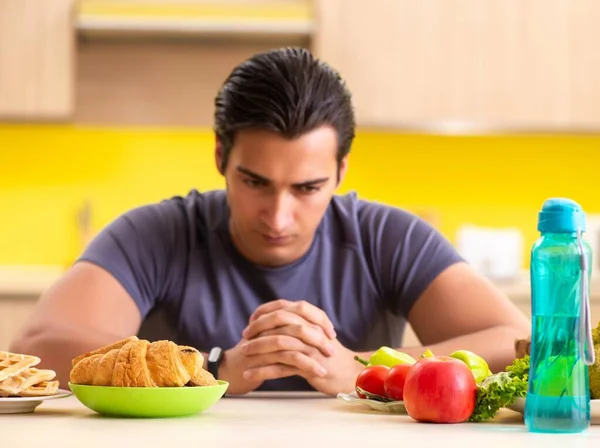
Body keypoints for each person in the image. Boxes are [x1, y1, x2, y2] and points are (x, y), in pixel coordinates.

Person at [10, 47, 530, 396]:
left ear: (340, 170)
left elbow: (514, 339)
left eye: (307, 188)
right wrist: (212, 369)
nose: (279, 217)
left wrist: (360, 367)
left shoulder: (385, 236)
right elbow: (37, 348)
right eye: (255, 182)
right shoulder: (158, 233)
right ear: (220, 158)